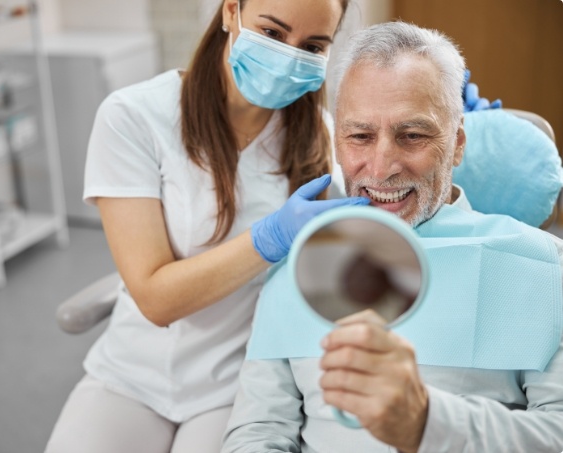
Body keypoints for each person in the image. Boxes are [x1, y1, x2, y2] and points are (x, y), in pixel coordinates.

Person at [44, 1, 372, 452]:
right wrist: (270, 238)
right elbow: (156, 300)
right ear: (230, 12)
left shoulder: (321, 137)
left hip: (237, 384)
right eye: (273, 34)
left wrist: (456, 128)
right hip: (131, 375)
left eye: (312, 46)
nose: (290, 56)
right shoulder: (135, 117)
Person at [221, 22, 563, 453]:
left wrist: (427, 422)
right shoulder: (295, 268)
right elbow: (258, 431)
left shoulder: (544, 266)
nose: (381, 168)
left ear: (457, 144)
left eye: (413, 136)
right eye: (360, 136)